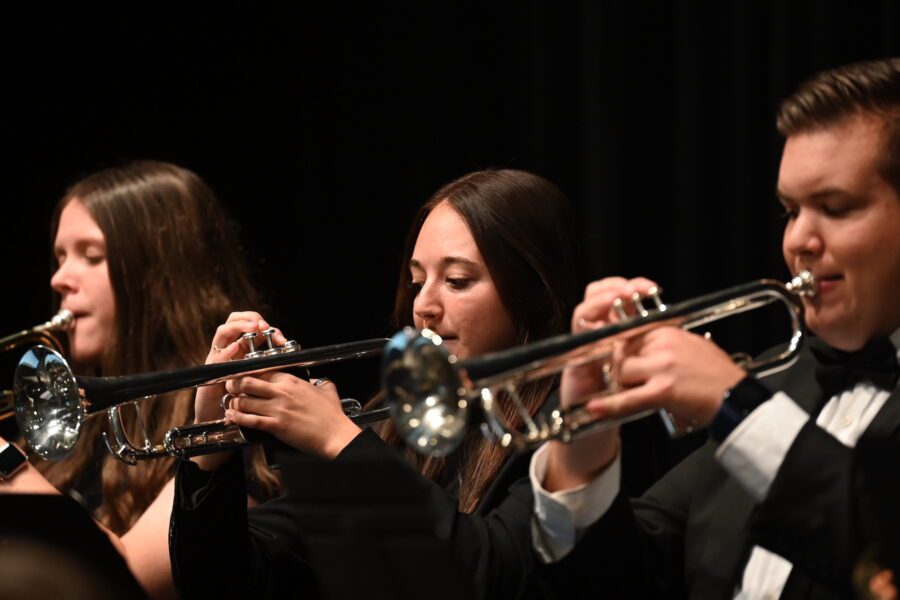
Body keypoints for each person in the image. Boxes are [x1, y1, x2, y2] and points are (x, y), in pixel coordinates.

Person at [531, 58, 900, 599]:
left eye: (834, 207)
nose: (798, 239)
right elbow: (623, 579)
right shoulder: (783, 379)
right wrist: (582, 442)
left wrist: (734, 405)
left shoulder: (753, 403)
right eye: (790, 210)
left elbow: (879, 553)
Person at [169, 168, 586, 598]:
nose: (423, 305)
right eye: (417, 281)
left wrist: (338, 439)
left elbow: (491, 574)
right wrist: (209, 444)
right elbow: (226, 583)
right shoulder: (394, 423)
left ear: (534, 290)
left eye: (457, 281)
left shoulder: (577, 423)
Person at [0, 161, 280, 599]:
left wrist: (5, 464)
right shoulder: (63, 424)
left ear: (160, 277)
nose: (59, 279)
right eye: (59, 259)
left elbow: (127, 581)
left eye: (91, 257)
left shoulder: (226, 420)